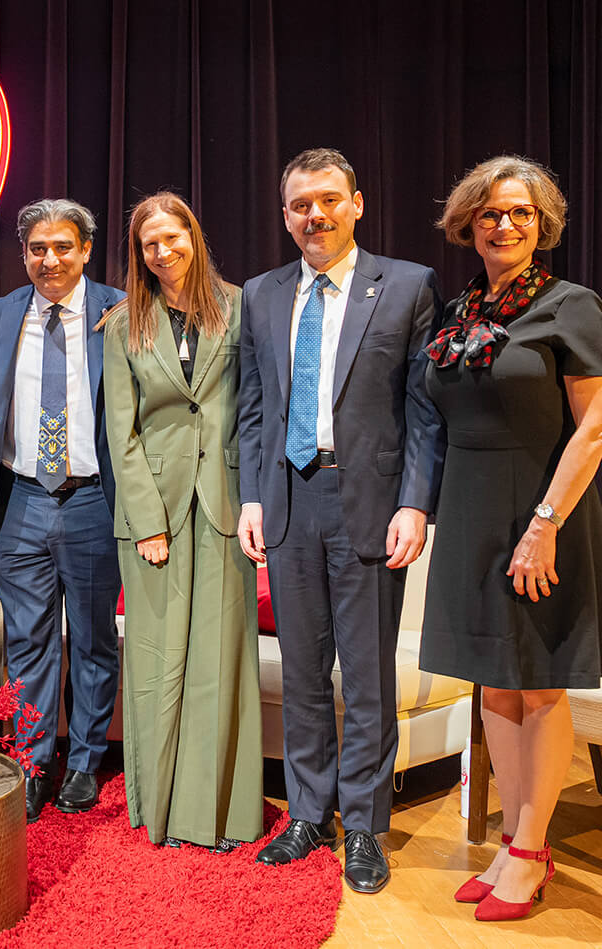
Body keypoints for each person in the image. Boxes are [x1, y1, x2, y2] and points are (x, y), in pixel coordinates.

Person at [418, 156, 602, 921]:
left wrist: (543, 524)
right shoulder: (458, 310)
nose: (505, 224)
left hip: (541, 513)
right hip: (472, 513)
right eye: (490, 213)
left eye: (521, 214)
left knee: (538, 683)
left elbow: (597, 425)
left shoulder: (572, 305)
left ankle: (535, 850)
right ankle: (513, 838)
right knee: (495, 687)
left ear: (542, 225)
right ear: (467, 223)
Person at [237, 148, 444, 893]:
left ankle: (363, 827)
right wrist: (251, 496)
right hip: (288, 500)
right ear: (285, 214)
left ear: (357, 202)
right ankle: (306, 814)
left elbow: (424, 411)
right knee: (300, 673)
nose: (314, 215)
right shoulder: (261, 295)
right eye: (300, 204)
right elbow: (253, 409)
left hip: (370, 504)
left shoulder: (409, 284)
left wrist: (416, 502)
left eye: (328, 200)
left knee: (364, 676)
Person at [103, 192, 260, 852]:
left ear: (194, 236)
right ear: (138, 254)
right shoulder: (121, 325)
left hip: (224, 506)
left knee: (221, 664)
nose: (162, 252)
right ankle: (162, 810)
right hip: (154, 514)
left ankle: (218, 816)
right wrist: (148, 521)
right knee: (157, 663)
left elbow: (255, 412)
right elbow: (122, 430)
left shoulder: (245, 309)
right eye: (149, 244)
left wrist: (256, 500)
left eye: (172, 238)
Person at [0, 199, 124, 822]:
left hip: (94, 499)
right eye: (38, 249)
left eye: (63, 246)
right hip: (20, 500)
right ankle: (33, 763)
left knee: (93, 640)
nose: (50, 260)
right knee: (28, 642)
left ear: (86, 250)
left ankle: (87, 761)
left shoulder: (121, 311)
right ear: (24, 255)